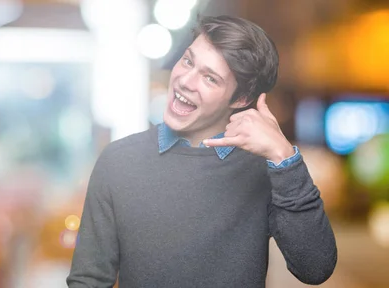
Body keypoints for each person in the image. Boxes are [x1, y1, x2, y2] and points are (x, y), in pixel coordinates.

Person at [66, 15, 337, 288]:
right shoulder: (118, 162)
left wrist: (284, 157)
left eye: (210, 78)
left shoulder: (266, 170)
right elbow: (89, 280)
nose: (185, 81)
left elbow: (315, 268)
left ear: (241, 99)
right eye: (188, 61)